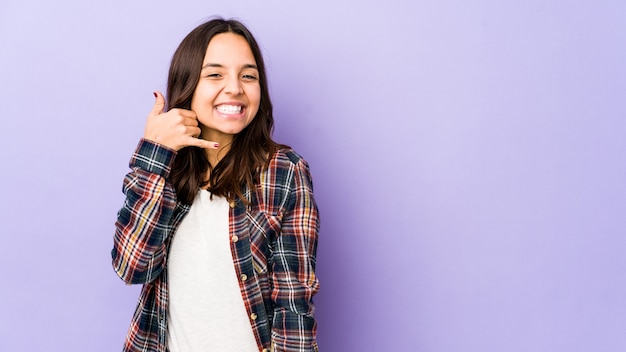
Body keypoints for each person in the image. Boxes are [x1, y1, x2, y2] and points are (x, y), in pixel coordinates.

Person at [111, 18, 320, 352]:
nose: (235, 88)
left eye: (248, 75)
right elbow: (131, 266)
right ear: (188, 84)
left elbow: (293, 305)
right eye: (215, 74)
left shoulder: (283, 172)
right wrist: (155, 153)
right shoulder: (167, 170)